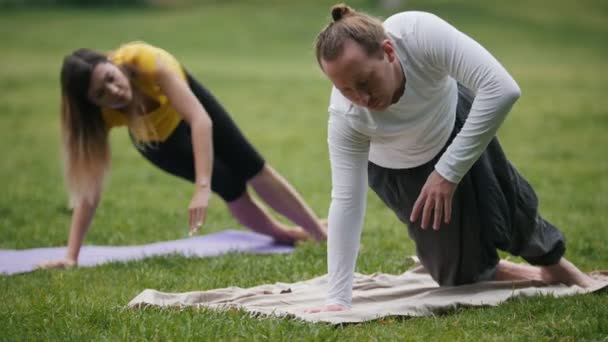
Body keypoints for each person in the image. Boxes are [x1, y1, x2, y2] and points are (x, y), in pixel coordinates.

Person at [307, 4, 597, 312]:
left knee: (507, 206)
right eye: (345, 89)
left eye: (365, 82)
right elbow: (347, 201)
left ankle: (555, 265)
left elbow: (501, 88)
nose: (361, 99)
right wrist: (337, 298)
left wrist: (447, 172)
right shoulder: (345, 115)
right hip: (400, 169)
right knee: (457, 276)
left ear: (388, 51)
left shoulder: (418, 33)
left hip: (453, 123)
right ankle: (533, 276)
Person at [38, 41, 327, 269]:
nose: (114, 92)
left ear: (113, 63)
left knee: (251, 165)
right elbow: (89, 189)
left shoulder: (147, 62)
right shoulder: (97, 117)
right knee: (229, 186)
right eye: (101, 94)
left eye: (111, 79)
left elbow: (200, 120)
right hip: (158, 141)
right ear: (91, 103)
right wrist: (71, 256)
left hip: (191, 108)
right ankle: (287, 235)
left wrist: (202, 187)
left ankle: (320, 235)